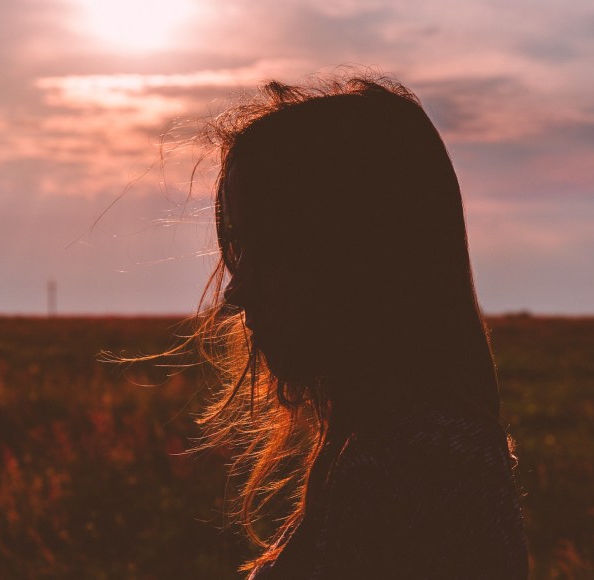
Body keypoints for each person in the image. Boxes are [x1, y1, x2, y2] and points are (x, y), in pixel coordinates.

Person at [191, 73, 528, 578]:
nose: (235, 292)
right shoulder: (401, 448)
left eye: (273, 250)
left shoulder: (415, 471)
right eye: (239, 250)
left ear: (361, 257)